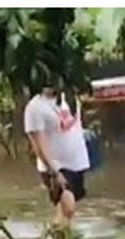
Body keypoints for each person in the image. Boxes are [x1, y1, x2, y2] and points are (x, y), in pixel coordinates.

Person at [24, 81, 90, 226]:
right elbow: (38, 144)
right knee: (68, 207)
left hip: (77, 162)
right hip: (56, 165)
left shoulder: (69, 97)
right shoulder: (35, 108)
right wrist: (54, 171)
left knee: (66, 211)